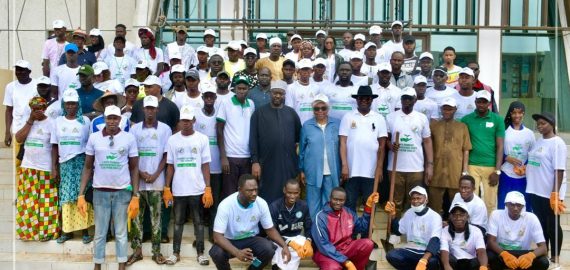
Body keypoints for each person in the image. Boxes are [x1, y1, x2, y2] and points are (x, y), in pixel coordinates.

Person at [77, 105, 140, 270]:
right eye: (109, 118)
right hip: (100, 192)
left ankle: (121, 265)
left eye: (115, 118)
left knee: (120, 232)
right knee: (100, 233)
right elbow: (88, 167)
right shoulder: (94, 138)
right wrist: (81, 194)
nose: (112, 121)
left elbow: (134, 168)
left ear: (120, 119)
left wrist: (135, 195)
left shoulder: (129, 138)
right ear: (104, 119)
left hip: (122, 193)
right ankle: (97, 264)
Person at [162, 105, 212, 265]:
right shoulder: (173, 139)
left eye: (188, 120)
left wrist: (208, 187)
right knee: (178, 222)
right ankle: (175, 253)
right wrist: (167, 187)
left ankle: (201, 253)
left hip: (197, 188)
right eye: (183, 120)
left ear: (194, 120)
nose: (186, 123)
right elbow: (170, 165)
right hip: (178, 189)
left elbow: (205, 165)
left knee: (198, 222)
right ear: (179, 121)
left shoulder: (202, 139)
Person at [209, 174, 291, 270]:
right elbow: (217, 237)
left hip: (250, 239)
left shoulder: (261, 203)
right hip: (230, 240)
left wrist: (284, 246)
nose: (254, 193)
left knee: (269, 250)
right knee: (216, 253)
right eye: (250, 190)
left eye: (256, 189)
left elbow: (270, 229)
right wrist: (237, 252)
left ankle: (253, 268)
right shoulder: (226, 205)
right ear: (240, 190)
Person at [126, 96, 171, 265]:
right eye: (148, 108)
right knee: (136, 217)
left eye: (153, 108)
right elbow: (132, 156)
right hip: (138, 181)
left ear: (157, 109)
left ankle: (156, 252)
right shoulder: (135, 129)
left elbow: (166, 155)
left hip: (157, 182)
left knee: (156, 219)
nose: (150, 111)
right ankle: (137, 251)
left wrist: (156, 174)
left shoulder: (165, 129)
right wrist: (141, 172)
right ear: (143, 109)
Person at [339, 85, 387, 228]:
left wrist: (379, 169)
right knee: (349, 205)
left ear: (371, 100)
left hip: (371, 172)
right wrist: (344, 165)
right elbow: (343, 143)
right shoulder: (348, 117)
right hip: (352, 170)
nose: (364, 101)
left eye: (367, 98)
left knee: (370, 204)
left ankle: (367, 235)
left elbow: (382, 146)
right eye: (361, 98)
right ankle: (351, 234)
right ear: (357, 100)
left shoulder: (379, 118)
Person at [51, 89, 93, 244]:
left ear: (78, 104)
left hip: (81, 162)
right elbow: (55, 146)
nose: (70, 106)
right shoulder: (58, 121)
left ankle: (85, 231)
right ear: (64, 105)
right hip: (65, 164)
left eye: (73, 103)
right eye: (67, 103)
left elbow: (90, 145)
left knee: (81, 196)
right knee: (66, 197)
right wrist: (54, 168)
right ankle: (66, 231)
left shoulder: (85, 121)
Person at [15, 96, 59, 241]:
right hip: (28, 167)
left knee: (47, 201)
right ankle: (28, 232)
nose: (37, 111)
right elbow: (19, 138)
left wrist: (54, 168)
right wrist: (30, 121)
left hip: (45, 168)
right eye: (34, 109)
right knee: (28, 201)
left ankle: (47, 232)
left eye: (39, 108)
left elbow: (54, 147)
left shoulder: (51, 123)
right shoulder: (28, 121)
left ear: (45, 108)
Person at [250, 83, 301, 203]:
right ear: (270, 93)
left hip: (288, 163)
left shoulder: (291, 113)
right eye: (275, 93)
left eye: (281, 93)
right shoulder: (259, 113)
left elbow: (299, 138)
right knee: (267, 194)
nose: (277, 96)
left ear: (284, 95)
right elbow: (253, 139)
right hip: (266, 163)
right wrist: (255, 162)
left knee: (287, 194)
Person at [526, 112, 567, 264]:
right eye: (538, 123)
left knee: (553, 226)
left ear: (552, 124)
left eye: (543, 123)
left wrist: (555, 194)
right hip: (536, 190)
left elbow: (559, 170)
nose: (540, 126)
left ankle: (555, 257)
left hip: (550, 192)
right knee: (541, 225)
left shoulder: (558, 143)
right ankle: (545, 253)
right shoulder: (539, 141)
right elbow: (536, 162)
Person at [386, 87, 433, 215]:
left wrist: (430, 165)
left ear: (415, 100)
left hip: (416, 168)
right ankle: (395, 231)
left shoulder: (422, 118)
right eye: (404, 98)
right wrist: (390, 146)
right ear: (400, 100)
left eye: (409, 98)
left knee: (415, 202)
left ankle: (412, 231)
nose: (406, 101)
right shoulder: (391, 117)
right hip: (395, 167)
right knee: (395, 202)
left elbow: (427, 141)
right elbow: (386, 140)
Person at [312, 187, 378, 270]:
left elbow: (362, 227)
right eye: (335, 199)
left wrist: (368, 207)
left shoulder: (348, 212)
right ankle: (343, 265)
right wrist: (346, 261)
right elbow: (323, 245)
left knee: (368, 244)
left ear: (345, 200)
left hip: (346, 248)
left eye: (341, 200)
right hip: (326, 253)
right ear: (330, 198)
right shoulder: (320, 217)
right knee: (333, 267)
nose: (338, 203)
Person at [461, 90, 505, 214]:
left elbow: (500, 146)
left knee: (490, 202)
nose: (481, 104)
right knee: (471, 200)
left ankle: (489, 230)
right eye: (479, 101)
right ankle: (471, 227)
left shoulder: (497, 120)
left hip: (491, 166)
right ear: (475, 102)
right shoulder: (466, 119)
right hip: (471, 165)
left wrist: (497, 170)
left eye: (484, 102)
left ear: (489, 103)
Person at [299, 94, 341, 219]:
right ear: (313, 110)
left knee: (329, 204)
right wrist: (301, 170)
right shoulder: (307, 126)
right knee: (312, 205)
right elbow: (302, 149)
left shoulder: (337, 124)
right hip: (312, 171)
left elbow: (342, 147)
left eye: (323, 108)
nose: (320, 111)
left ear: (328, 109)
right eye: (316, 109)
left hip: (331, 172)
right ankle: (313, 232)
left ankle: (327, 231)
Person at [429, 97, 472, 216]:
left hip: (455, 172)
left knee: (457, 207)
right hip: (437, 172)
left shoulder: (462, 127)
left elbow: (466, 149)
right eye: (445, 109)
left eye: (450, 109)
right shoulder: (434, 126)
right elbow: (428, 149)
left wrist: (464, 172)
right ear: (441, 110)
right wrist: (429, 168)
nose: (447, 111)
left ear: (455, 110)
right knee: (434, 207)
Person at [487, 191, 549, 270]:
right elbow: (490, 242)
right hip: (502, 253)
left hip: (523, 254)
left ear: (523, 206)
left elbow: (543, 248)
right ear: (506, 204)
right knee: (490, 256)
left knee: (543, 262)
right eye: (512, 205)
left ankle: (519, 266)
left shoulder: (531, 218)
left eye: (519, 205)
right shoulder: (496, 215)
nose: (515, 208)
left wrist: (530, 256)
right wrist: (504, 254)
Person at [215, 75, 254, 198]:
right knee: (230, 193)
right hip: (231, 157)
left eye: (244, 88)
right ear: (234, 89)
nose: (241, 91)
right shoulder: (226, 103)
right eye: (239, 88)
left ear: (248, 89)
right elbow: (219, 129)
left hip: (247, 157)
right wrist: (223, 156)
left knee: (245, 192)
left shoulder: (251, 104)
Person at [385, 186, 442, 270]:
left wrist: (424, 260)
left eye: (419, 198)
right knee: (391, 255)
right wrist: (393, 215)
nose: (415, 201)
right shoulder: (409, 213)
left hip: (426, 252)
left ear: (426, 200)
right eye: (413, 198)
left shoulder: (435, 217)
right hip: (411, 250)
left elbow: (435, 240)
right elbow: (398, 230)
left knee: (432, 262)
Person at [194, 86, 222, 242]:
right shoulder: (196, 115)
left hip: (217, 167)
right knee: (199, 204)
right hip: (199, 168)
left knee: (214, 204)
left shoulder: (220, 113)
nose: (209, 99)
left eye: (212, 96)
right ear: (203, 97)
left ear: (215, 98)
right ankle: (199, 236)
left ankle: (213, 235)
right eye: (207, 96)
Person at [269, 179, 313, 270]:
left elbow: (309, 226)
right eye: (289, 193)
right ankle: (276, 266)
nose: (292, 196)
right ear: (284, 190)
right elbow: (271, 232)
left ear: (299, 192)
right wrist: (288, 242)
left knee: (302, 245)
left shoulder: (303, 206)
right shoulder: (275, 206)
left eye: (295, 193)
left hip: (296, 237)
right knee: (274, 246)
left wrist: (308, 240)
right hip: (279, 238)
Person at [498, 101, 535, 210]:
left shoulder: (529, 134)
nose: (517, 115)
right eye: (514, 113)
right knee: (504, 203)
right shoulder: (504, 130)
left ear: (523, 114)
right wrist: (506, 157)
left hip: (523, 176)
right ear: (510, 114)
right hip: (506, 174)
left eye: (520, 113)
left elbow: (533, 154)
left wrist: (526, 167)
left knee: (523, 205)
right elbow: (497, 148)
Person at [440, 202, 488, 270]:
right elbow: (444, 251)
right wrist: (446, 266)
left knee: (479, 261)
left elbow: (481, 251)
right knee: (445, 259)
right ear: (450, 217)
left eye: (462, 215)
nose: (458, 218)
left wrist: (483, 267)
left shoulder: (476, 230)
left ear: (467, 216)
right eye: (454, 215)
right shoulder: (444, 231)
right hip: (454, 262)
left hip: (471, 262)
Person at [3, 60, 37, 149]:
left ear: (29, 72)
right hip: (17, 130)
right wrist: (7, 132)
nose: (19, 72)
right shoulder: (10, 87)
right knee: (17, 162)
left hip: (34, 130)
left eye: (23, 70)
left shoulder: (37, 85)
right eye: (17, 70)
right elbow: (9, 110)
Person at [285, 59, 321, 124]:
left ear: (311, 71)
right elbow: (289, 109)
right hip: (297, 124)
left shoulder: (316, 88)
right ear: (298, 71)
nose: (305, 72)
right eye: (303, 69)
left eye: (307, 69)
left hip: (312, 124)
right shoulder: (291, 87)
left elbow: (318, 108)